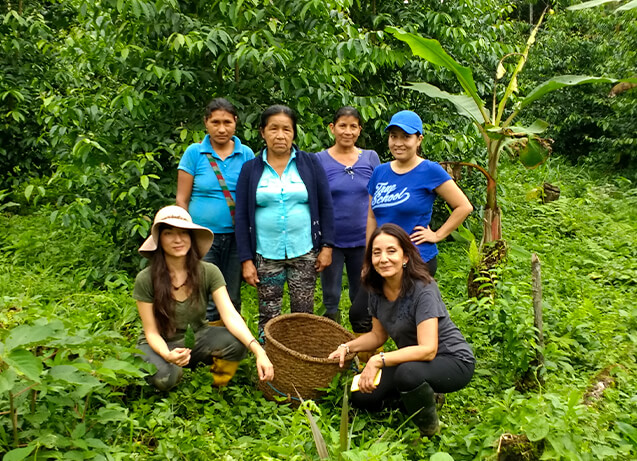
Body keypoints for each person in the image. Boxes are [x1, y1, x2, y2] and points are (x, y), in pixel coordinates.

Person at [329, 224, 474, 436]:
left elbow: (428, 349)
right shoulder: (376, 290)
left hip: (452, 360)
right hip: (412, 361)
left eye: (391, 251)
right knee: (361, 394)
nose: (383, 258)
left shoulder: (423, 288)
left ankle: (429, 430)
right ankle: (420, 397)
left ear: (405, 257)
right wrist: (346, 347)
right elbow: (378, 335)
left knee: (408, 374)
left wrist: (377, 360)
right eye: (376, 253)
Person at [349, 110, 473, 333]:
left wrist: (437, 234)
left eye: (405, 137)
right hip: (384, 258)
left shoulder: (430, 170)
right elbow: (371, 216)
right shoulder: (380, 172)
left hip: (416, 260)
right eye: (393, 136)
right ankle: (371, 363)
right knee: (360, 313)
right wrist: (370, 255)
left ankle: (412, 361)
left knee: (407, 320)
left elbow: (463, 206)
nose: (398, 143)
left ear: (419, 140)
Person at [133, 205, 273, 391]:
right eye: (169, 233)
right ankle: (169, 374)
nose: (177, 239)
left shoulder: (208, 272)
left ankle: (215, 385)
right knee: (167, 379)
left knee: (237, 343)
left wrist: (258, 350)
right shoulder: (146, 278)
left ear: (191, 237)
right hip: (158, 344)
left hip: (196, 338)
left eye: (184, 233)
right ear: (159, 239)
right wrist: (167, 354)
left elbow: (230, 315)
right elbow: (151, 332)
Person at [235, 105, 335, 337]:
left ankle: (299, 364)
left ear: (293, 133)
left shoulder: (309, 163)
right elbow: (241, 217)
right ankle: (269, 363)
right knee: (268, 315)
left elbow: (326, 206)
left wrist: (327, 246)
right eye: (273, 129)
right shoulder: (250, 169)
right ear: (262, 132)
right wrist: (246, 260)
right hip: (266, 253)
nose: (280, 135)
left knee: (303, 313)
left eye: (286, 129)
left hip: (305, 251)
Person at [176, 98, 255, 322]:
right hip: (202, 237)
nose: (222, 128)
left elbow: (251, 197)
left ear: (236, 123)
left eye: (227, 122)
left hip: (236, 237)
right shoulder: (194, 153)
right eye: (216, 122)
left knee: (231, 295)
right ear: (206, 123)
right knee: (205, 293)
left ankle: (229, 349)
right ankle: (205, 347)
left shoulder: (246, 154)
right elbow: (182, 199)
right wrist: (186, 234)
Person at [315, 107, 380, 324]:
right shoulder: (319, 160)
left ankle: (362, 345)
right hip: (331, 242)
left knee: (361, 293)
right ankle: (332, 343)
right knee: (330, 296)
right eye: (342, 125)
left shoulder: (371, 158)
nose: (348, 131)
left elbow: (380, 198)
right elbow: (315, 202)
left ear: (360, 130)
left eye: (353, 126)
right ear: (332, 128)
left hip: (363, 240)